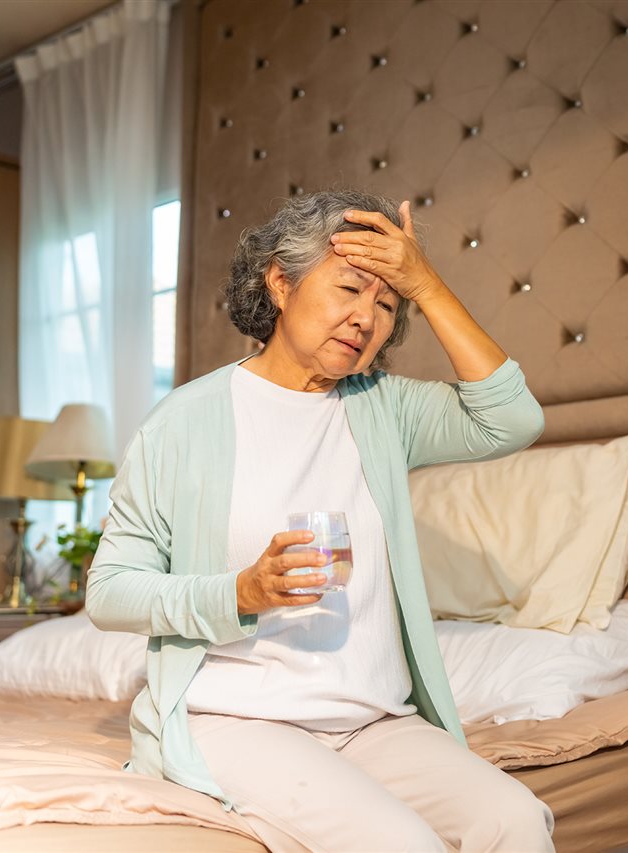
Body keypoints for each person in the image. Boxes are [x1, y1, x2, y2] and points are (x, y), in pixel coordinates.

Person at [86, 190, 554, 852]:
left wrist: (424, 280)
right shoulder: (182, 424)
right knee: (403, 844)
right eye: (349, 288)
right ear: (280, 283)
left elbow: (515, 418)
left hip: (373, 722)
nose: (365, 316)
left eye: (387, 303)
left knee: (516, 819)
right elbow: (109, 590)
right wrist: (238, 592)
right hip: (239, 718)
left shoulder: (383, 409)